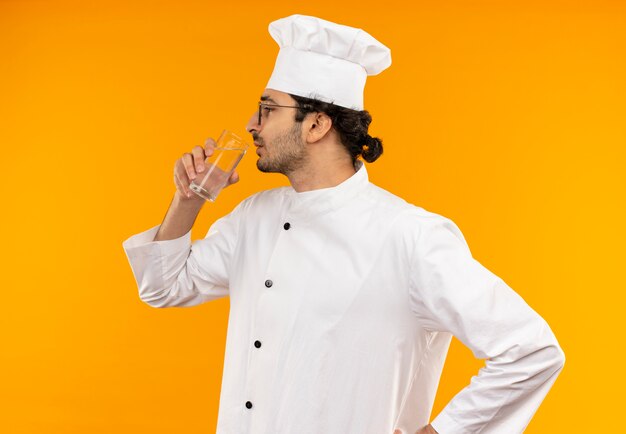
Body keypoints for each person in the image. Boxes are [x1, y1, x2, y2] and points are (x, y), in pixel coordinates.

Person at [122, 14, 564, 434]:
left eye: (267, 109)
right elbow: (164, 288)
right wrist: (187, 201)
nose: (251, 125)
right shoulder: (254, 217)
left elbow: (529, 350)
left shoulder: (409, 235)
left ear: (315, 124)